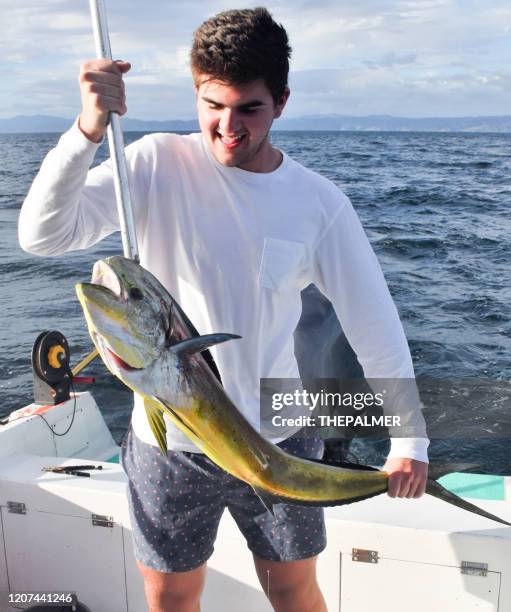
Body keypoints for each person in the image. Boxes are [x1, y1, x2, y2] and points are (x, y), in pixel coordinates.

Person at [19, 8, 429, 612]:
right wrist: (85, 131)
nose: (227, 126)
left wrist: (409, 438)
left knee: (292, 588)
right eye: (213, 104)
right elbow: (43, 235)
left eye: (249, 109)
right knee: (170, 594)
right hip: (168, 443)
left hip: (282, 438)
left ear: (282, 102)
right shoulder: (155, 164)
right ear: (195, 91)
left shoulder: (319, 202)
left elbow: (374, 321)